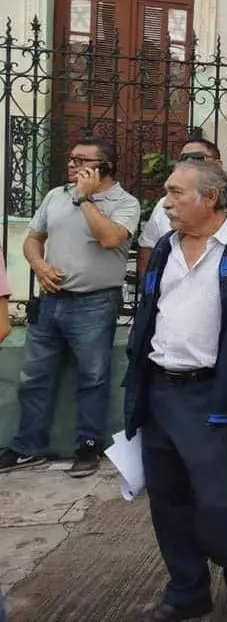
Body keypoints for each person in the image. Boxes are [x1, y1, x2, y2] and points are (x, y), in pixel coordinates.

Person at [123, 161, 227, 622]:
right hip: (158, 391)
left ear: (209, 197)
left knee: (214, 502)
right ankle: (187, 590)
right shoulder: (165, 249)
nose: (166, 202)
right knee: (168, 502)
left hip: (212, 395)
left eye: (175, 193)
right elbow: (148, 317)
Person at [0, 138, 140, 477]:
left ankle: (87, 446)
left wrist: (85, 198)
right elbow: (34, 238)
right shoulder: (54, 196)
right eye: (71, 158)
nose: (72, 165)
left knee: (92, 378)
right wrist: (40, 267)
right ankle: (27, 447)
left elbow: (110, 238)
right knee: (34, 378)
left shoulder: (126, 203)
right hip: (50, 303)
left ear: (104, 167)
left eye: (81, 160)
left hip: (95, 304)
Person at [137, 137, 227, 279]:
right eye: (183, 159)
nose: (189, 164)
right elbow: (148, 246)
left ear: (218, 164)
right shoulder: (164, 205)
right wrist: (149, 289)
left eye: (197, 158)